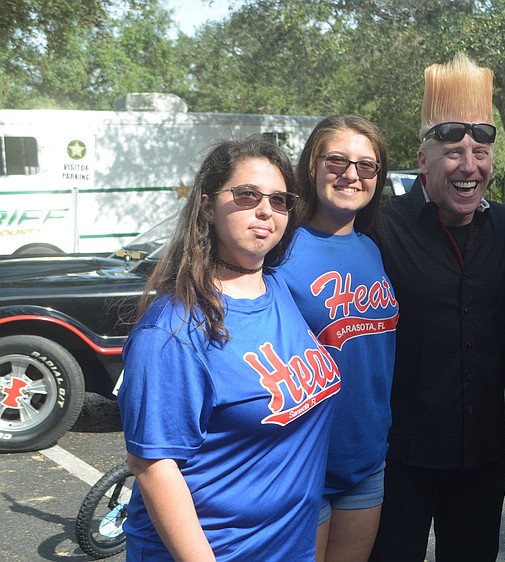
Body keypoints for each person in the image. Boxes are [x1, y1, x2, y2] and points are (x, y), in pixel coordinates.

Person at [118, 136, 341, 561]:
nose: (265, 210)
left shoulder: (276, 288)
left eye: (279, 200)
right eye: (247, 195)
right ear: (206, 206)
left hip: (288, 546)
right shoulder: (172, 331)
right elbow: (153, 467)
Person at [368, 53, 505, 562]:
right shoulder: (380, 229)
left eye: (480, 151)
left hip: (480, 456)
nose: (469, 165)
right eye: (453, 151)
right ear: (424, 157)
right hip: (399, 455)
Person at [280, 115, 398, 562]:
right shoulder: (279, 247)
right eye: (337, 160)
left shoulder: (372, 247)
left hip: (365, 459)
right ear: (311, 164)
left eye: (367, 166)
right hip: (299, 462)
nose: (351, 174)